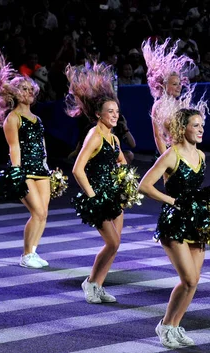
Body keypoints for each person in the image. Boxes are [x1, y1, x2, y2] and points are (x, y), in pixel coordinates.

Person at [138, 107, 208, 349]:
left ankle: (175, 326)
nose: (201, 129)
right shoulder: (171, 155)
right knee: (188, 279)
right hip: (174, 223)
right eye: (195, 125)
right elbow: (144, 185)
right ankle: (166, 325)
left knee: (194, 281)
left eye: (202, 125)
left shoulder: (201, 156)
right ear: (183, 128)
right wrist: (173, 201)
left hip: (196, 222)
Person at [66, 62, 126, 304]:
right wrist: (93, 197)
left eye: (117, 111)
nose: (114, 115)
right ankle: (90, 282)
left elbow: (121, 161)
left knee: (116, 245)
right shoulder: (95, 134)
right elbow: (77, 169)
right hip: (98, 196)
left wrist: (124, 180)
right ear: (98, 114)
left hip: (114, 195)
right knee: (111, 242)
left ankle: (98, 285)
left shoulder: (112, 137)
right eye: (110, 111)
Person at [0, 52, 49, 268]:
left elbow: (41, 146)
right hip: (25, 171)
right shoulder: (13, 118)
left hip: (41, 170)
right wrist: (17, 172)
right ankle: (25, 254)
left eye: (31, 89)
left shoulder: (37, 119)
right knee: (37, 211)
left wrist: (47, 166)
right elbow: (14, 147)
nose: (29, 91)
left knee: (44, 214)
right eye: (24, 88)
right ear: (14, 93)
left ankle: (33, 251)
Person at [142, 38, 195, 157]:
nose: (179, 87)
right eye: (175, 84)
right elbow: (158, 135)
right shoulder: (159, 105)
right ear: (164, 85)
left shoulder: (180, 104)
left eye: (180, 83)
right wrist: (166, 159)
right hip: (167, 154)